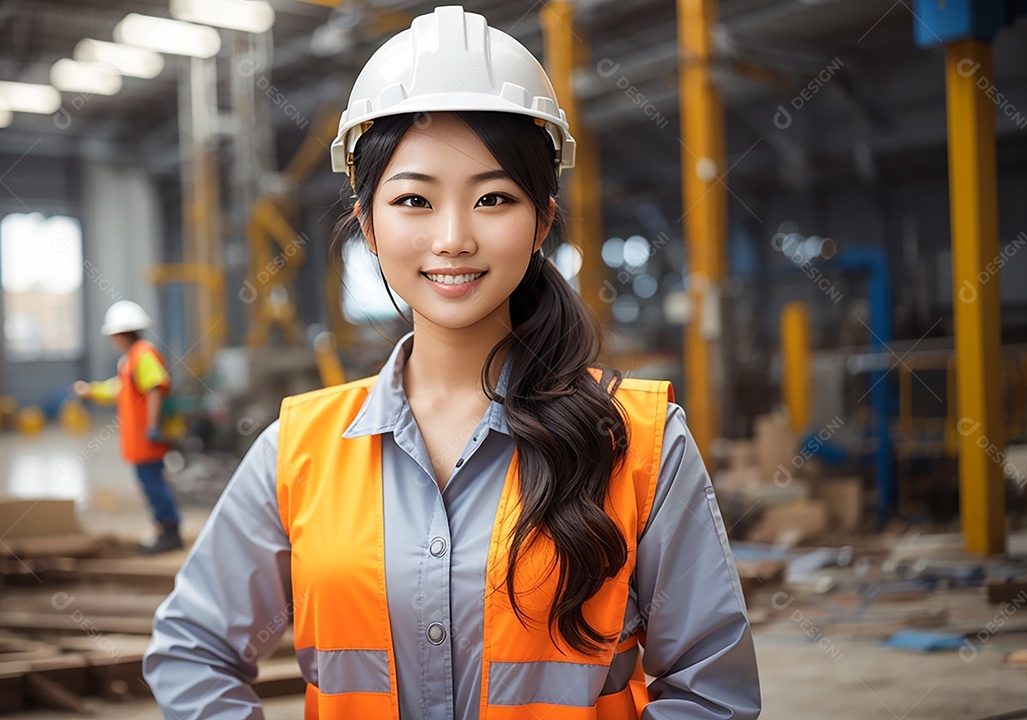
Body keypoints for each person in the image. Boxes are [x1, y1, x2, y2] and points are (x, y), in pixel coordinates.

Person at [144, 6, 760, 718]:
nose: (453, 238)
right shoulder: (298, 451)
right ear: (369, 224)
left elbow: (712, 693)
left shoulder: (640, 443)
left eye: (493, 198)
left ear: (542, 220)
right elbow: (191, 651)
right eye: (414, 199)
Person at [74, 300, 182, 554]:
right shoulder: (130, 360)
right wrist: (91, 391)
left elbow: (155, 388)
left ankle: (170, 532)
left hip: (147, 438)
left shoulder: (143, 355)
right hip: (139, 439)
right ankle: (164, 530)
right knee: (150, 484)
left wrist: (152, 426)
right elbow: (118, 389)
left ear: (120, 334)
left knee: (154, 484)